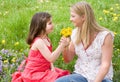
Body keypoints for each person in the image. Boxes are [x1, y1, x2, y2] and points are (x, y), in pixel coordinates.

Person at [55, 1, 114, 82]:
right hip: (81, 75)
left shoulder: (105, 36)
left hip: (101, 78)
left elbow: (105, 65)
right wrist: (65, 47)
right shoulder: (75, 33)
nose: (70, 19)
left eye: (73, 16)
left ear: (83, 17)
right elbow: (67, 60)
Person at [12, 12, 70, 82]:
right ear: (40, 26)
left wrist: (52, 68)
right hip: (35, 73)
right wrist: (61, 46)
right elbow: (51, 58)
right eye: (50, 23)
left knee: (62, 77)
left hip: (44, 70)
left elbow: (48, 58)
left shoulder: (47, 39)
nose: (53, 25)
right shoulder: (39, 42)